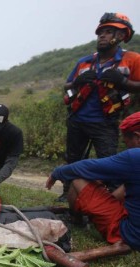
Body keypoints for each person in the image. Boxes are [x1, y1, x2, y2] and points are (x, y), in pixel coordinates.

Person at [57, 12, 140, 202]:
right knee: (73, 157)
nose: (102, 35)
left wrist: (123, 82)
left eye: (109, 32)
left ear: (121, 36)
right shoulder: (85, 62)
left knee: (108, 161)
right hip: (77, 119)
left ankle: (110, 199)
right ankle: (68, 193)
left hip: (106, 122)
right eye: (100, 32)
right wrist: (78, 81)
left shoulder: (132, 60)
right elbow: (67, 85)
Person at [46, 112, 140, 250]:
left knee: (79, 179)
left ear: (137, 137)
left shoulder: (135, 156)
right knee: (129, 183)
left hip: (131, 235)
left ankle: (76, 219)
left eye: (127, 143)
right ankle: (100, 211)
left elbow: (86, 167)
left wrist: (56, 173)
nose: (127, 148)